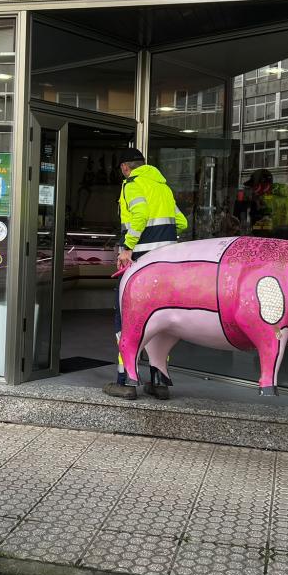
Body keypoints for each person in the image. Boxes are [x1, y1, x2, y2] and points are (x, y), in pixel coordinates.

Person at [103, 147, 187, 400]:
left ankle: (126, 381)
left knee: (127, 321)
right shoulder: (163, 187)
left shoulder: (132, 184)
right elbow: (181, 222)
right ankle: (159, 382)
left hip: (140, 266)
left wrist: (128, 248)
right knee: (160, 322)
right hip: (166, 268)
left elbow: (139, 214)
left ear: (125, 168)